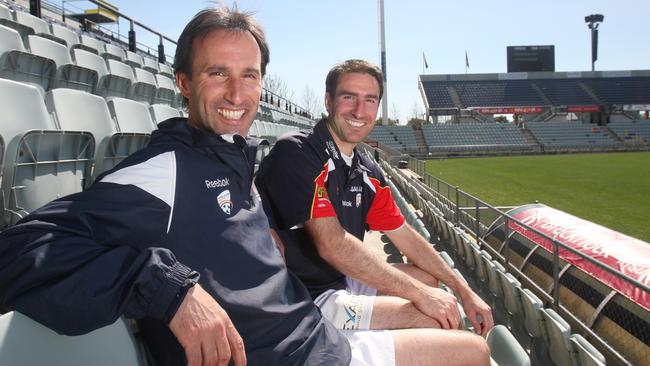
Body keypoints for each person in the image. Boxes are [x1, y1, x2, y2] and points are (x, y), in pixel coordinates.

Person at [0, 7, 361, 366]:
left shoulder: (233, 155)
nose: (237, 95)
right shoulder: (163, 171)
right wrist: (166, 286)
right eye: (218, 73)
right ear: (184, 82)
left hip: (321, 337)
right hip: (312, 351)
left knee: (420, 324)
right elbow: (16, 252)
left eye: (249, 75)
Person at [255, 59, 493, 357]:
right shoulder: (297, 152)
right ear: (328, 101)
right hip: (305, 299)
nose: (359, 111)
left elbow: (403, 234)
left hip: (338, 281)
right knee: (435, 317)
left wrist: (464, 291)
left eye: (370, 100)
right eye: (348, 97)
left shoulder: (365, 168)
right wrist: (421, 297)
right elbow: (332, 245)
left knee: (429, 280)